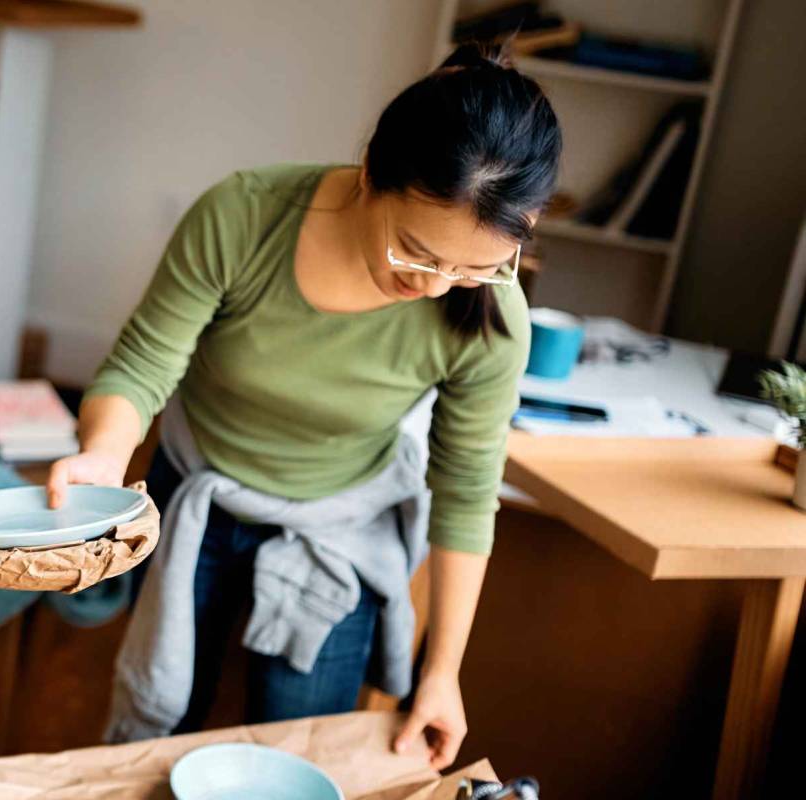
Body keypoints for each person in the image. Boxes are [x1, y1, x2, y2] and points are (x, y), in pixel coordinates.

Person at [45, 42, 559, 769]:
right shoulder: (246, 215)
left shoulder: (494, 321)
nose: (439, 287)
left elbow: (467, 494)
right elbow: (142, 365)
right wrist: (103, 453)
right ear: (372, 172)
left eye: (476, 268)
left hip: (337, 529)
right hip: (198, 488)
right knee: (162, 734)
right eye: (416, 253)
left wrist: (442, 675)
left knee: (298, 755)